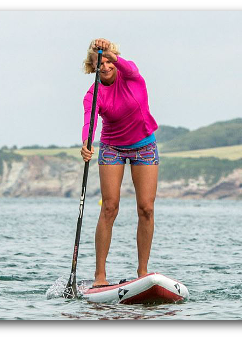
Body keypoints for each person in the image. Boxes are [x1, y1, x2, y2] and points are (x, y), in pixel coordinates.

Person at [80, 39, 159, 287]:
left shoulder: (132, 75)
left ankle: (143, 271)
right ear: (93, 68)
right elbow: (89, 121)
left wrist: (111, 53)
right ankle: (100, 277)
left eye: (107, 61)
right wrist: (86, 143)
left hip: (144, 145)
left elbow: (128, 67)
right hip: (112, 148)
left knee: (146, 208)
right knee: (109, 208)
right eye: (99, 64)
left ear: (114, 59)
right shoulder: (93, 94)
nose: (104, 67)